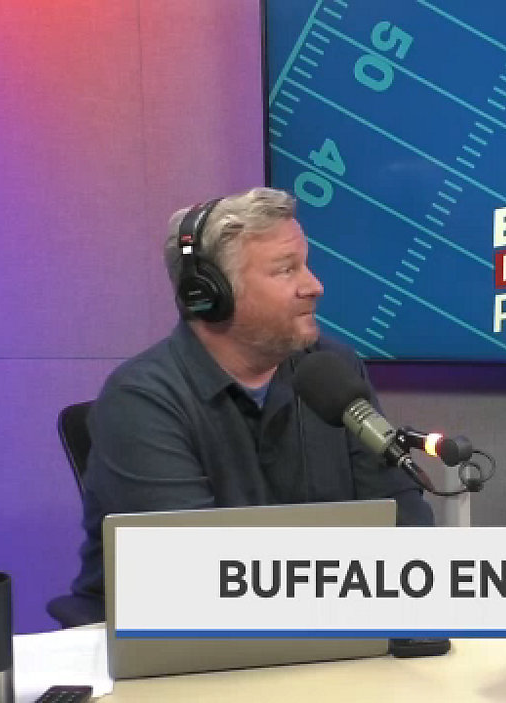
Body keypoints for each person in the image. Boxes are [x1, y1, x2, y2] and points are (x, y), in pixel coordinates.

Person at [70, 187, 433, 611]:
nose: (314, 286)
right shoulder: (140, 402)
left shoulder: (332, 370)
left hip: (328, 624)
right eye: (286, 270)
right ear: (209, 295)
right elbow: (194, 575)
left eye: (306, 265)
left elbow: (403, 522)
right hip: (176, 639)